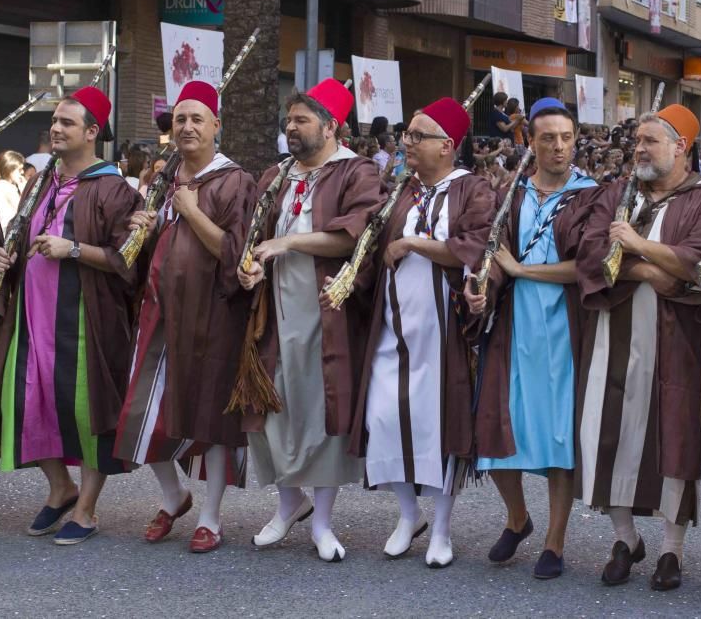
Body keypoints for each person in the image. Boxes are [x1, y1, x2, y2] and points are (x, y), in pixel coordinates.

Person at [575, 105, 701, 589]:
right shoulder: (618, 194)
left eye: (650, 141)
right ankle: (625, 538)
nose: (638, 149)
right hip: (612, 333)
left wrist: (636, 248)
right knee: (608, 432)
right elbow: (592, 252)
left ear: (680, 146)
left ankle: (671, 549)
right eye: (636, 141)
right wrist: (648, 269)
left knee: (674, 436)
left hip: (675, 338)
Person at [343, 96, 494, 568]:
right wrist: (347, 280)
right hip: (392, 328)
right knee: (384, 418)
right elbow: (374, 249)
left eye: (417, 136)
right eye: (407, 135)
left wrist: (413, 243)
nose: (406, 143)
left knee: (438, 424)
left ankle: (442, 527)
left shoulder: (474, 189)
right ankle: (408, 515)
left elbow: (474, 248)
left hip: (443, 333)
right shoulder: (401, 190)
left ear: (447, 145)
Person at [237, 80, 384, 561]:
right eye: (289, 120)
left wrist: (288, 244)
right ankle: (288, 503)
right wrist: (252, 265)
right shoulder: (276, 175)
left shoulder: (355, 172)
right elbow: (255, 235)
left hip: (325, 313)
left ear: (330, 125)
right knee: (272, 409)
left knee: (321, 413)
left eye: (301, 120)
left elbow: (354, 237)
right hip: (274, 315)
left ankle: (322, 522)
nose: (291, 128)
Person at [0, 87, 141, 545]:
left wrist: (72, 249)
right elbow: (24, 240)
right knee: (24, 404)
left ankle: (88, 510)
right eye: (55, 120)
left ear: (92, 133)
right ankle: (60, 489)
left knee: (85, 409)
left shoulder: (114, 188)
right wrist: (4, 257)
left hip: (85, 320)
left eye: (67, 123)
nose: (56, 128)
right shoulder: (41, 180)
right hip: (30, 319)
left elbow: (127, 260)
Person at [113, 80, 257, 554]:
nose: (188, 127)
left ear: (217, 125)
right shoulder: (161, 180)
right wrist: (145, 230)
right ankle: (174, 496)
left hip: (213, 316)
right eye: (180, 119)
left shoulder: (235, 181)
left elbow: (235, 253)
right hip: (160, 314)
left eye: (198, 119)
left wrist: (192, 212)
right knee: (141, 413)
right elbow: (151, 252)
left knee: (210, 417)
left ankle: (211, 518)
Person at [465, 98, 597, 580]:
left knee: (559, 435)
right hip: (513, 325)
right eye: (547, 138)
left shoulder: (591, 195)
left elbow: (589, 265)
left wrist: (521, 269)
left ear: (575, 139)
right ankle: (517, 519)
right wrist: (481, 290)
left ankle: (555, 542)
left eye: (565, 137)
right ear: (532, 141)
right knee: (497, 431)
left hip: (563, 329)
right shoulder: (512, 193)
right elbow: (491, 257)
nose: (558, 146)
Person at [0, 150, 27, 230]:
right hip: (5, 233)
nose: (22, 172)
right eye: (19, 170)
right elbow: (23, 211)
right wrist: (24, 190)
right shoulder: (7, 187)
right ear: (9, 169)